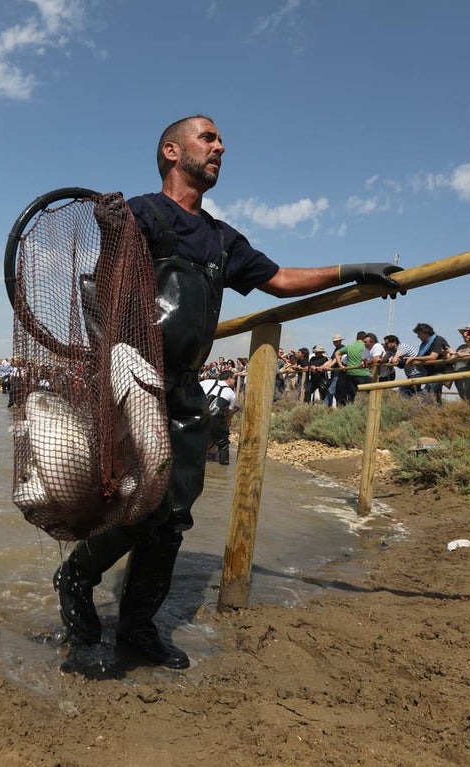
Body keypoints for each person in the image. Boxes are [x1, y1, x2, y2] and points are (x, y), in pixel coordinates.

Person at [52, 114, 402, 671]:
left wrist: (353, 271)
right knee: (138, 502)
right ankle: (78, 575)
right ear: (172, 150)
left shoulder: (221, 238)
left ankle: (138, 630)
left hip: (187, 390)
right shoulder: (139, 214)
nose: (222, 146)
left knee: (173, 518)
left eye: (220, 140)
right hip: (133, 377)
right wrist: (114, 234)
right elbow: (105, 284)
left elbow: (281, 279)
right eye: (208, 138)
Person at [404, 323, 449, 404]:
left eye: (419, 334)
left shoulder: (438, 340)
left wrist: (414, 358)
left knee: (427, 394)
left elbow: (432, 357)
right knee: (435, 397)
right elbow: (420, 358)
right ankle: (438, 414)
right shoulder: (424, 345)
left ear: (425, 333)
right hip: (430, 374)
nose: (418, 337)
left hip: (441, 373)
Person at [200, 369, 238, 464]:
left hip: (199, 416)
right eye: (234, 379)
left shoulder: (206, 382)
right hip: (215, 420)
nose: (235, 381)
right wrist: (226, 431)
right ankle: (223, 465)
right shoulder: (232, 394)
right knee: (224, 444)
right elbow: (229, 416)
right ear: (229, 379)